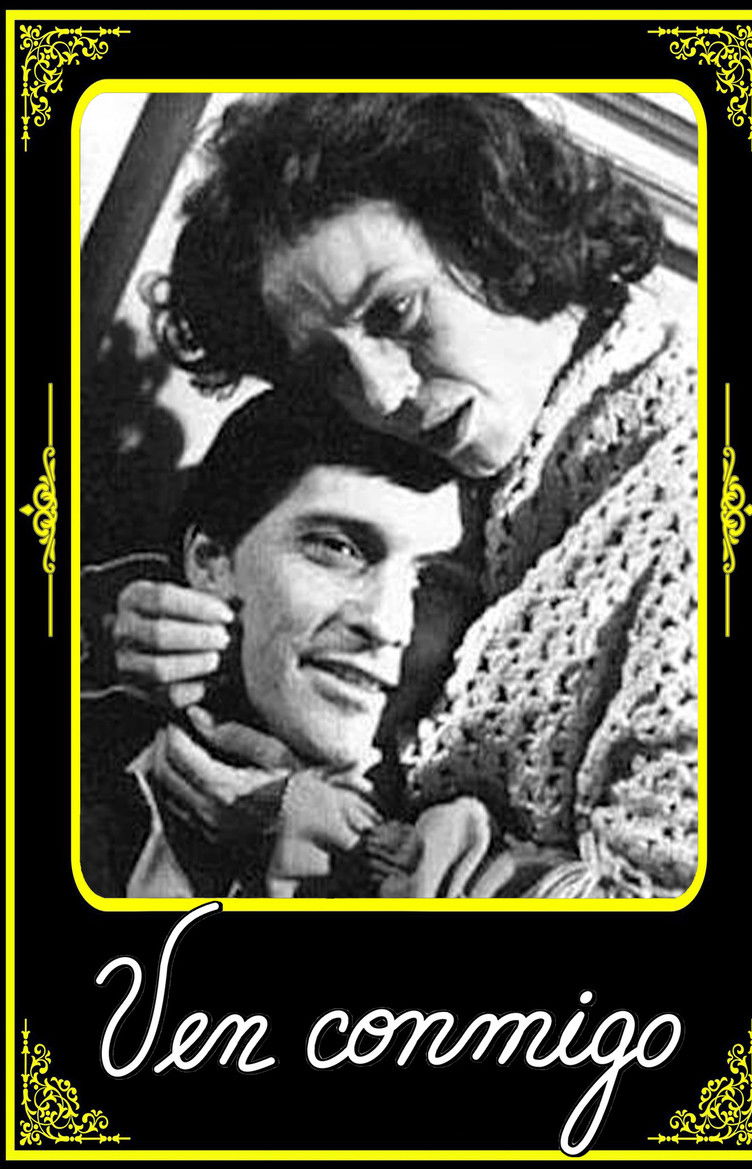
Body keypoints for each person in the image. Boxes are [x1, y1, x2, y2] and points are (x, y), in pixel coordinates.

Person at [94, 92, 698, 898]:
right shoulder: (482, 446)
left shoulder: (696, 499)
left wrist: (357, 851)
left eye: (398, 310)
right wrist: (161, 630)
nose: (380, 395)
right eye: (327, 366)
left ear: (500, 241)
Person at [81, 388, 474, 897]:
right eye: (337, 548)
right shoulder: (96, 810)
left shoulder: (462, 833)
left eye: (431, 581)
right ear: (211, 562)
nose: (386, 624)